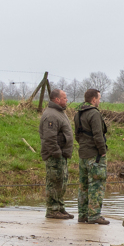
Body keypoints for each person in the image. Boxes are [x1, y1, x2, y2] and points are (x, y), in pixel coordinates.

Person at [75, 88, 109, 225]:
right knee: (96, 185)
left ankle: (83, 214)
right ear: (93, 99)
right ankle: (94, 215)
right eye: (99, 98)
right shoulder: (94, 114)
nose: (100, 101)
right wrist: (102, 151)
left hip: (83, 154)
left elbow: (77, 135)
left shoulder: (78, 114)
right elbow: (98, 135)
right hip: (95, 156)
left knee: (83, 186)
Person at [39, 88, 74, 219]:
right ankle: (52, 210)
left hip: (62, 155)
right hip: (55, 156)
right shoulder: (51, 115)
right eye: (64, 98)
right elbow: (49, 138)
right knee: (54, 182)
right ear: (57, 99)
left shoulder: (59, 112)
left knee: (62, 182)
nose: (67, 100)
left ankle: (59, 207)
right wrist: (57, 153)